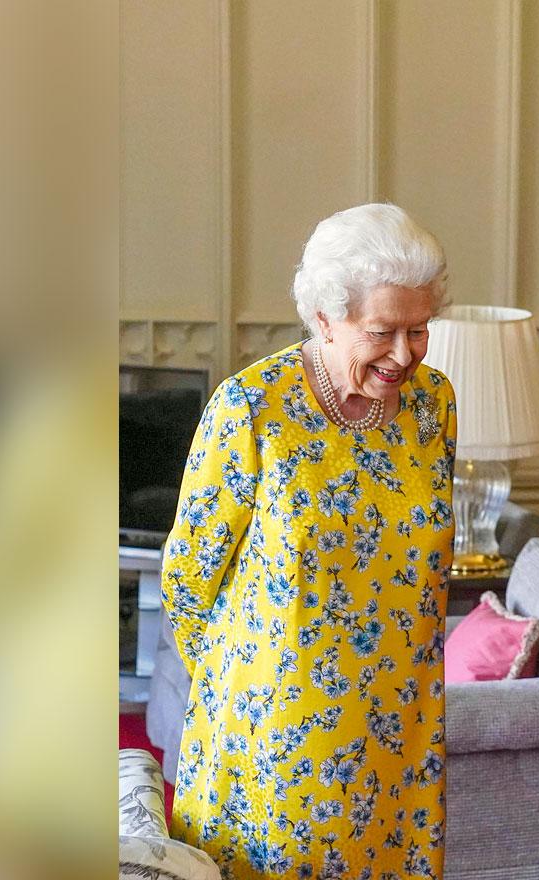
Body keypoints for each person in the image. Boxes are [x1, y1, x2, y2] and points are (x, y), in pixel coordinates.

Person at [161, 203, 456, 879]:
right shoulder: (252, 408)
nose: (404, 355)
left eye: (420, 330)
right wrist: (252, 683)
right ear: (325, 318)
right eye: (382, 332)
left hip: (399, 726)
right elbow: (187, 579)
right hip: (276, 727)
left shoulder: (432, 404)